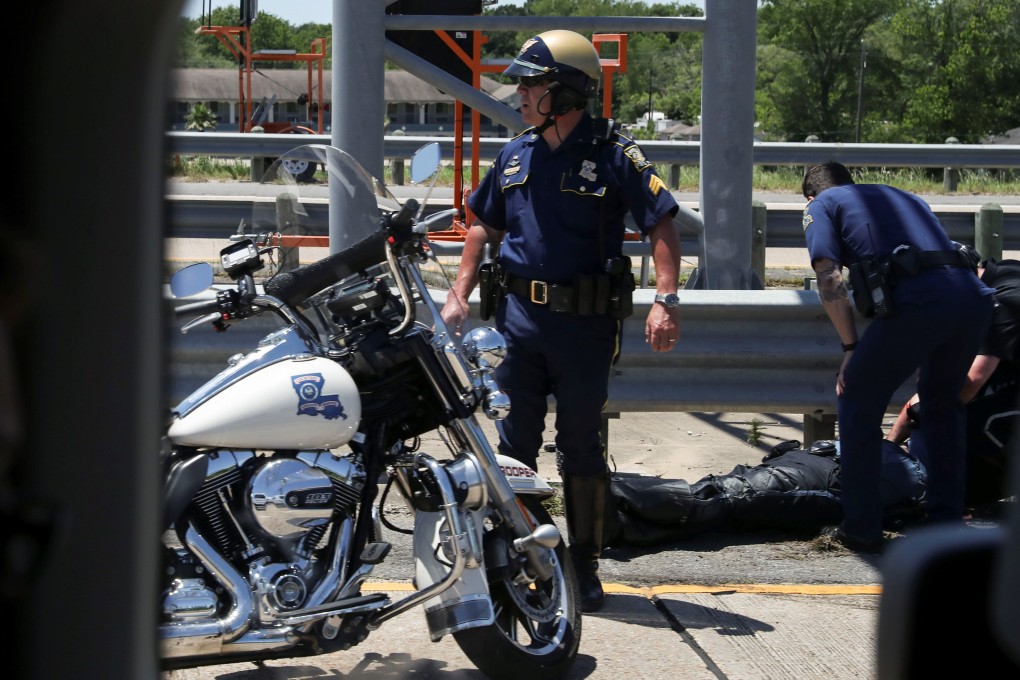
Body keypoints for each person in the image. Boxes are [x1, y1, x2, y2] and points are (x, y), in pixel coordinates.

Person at [440, 30, 682, 611]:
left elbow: (662, 224)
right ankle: (518, 556)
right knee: (512, 448)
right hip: (517, 324)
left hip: (584, 327)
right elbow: (482, 226)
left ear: (568, 90)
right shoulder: (516, 153)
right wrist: (458, 292)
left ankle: (584, 564)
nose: (520, 94)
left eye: (532, 83)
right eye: (520, 84)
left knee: (580, 448)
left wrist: (665, 300)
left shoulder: (615, 153)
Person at [801, 161, 994, 553]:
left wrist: (851, 348)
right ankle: (944, 522)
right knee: (942, 407)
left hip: (921, 302)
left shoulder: (820, 204)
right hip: (972, 298)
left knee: (855, 400)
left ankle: (861, 527)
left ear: (810, 195)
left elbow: (828, 275)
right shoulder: (904, 195)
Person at [887, 255, 1020, 509]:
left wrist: (891, 446)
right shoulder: (1004, 272)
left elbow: (965, 386)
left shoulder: (1002, 304)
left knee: (960, 420)